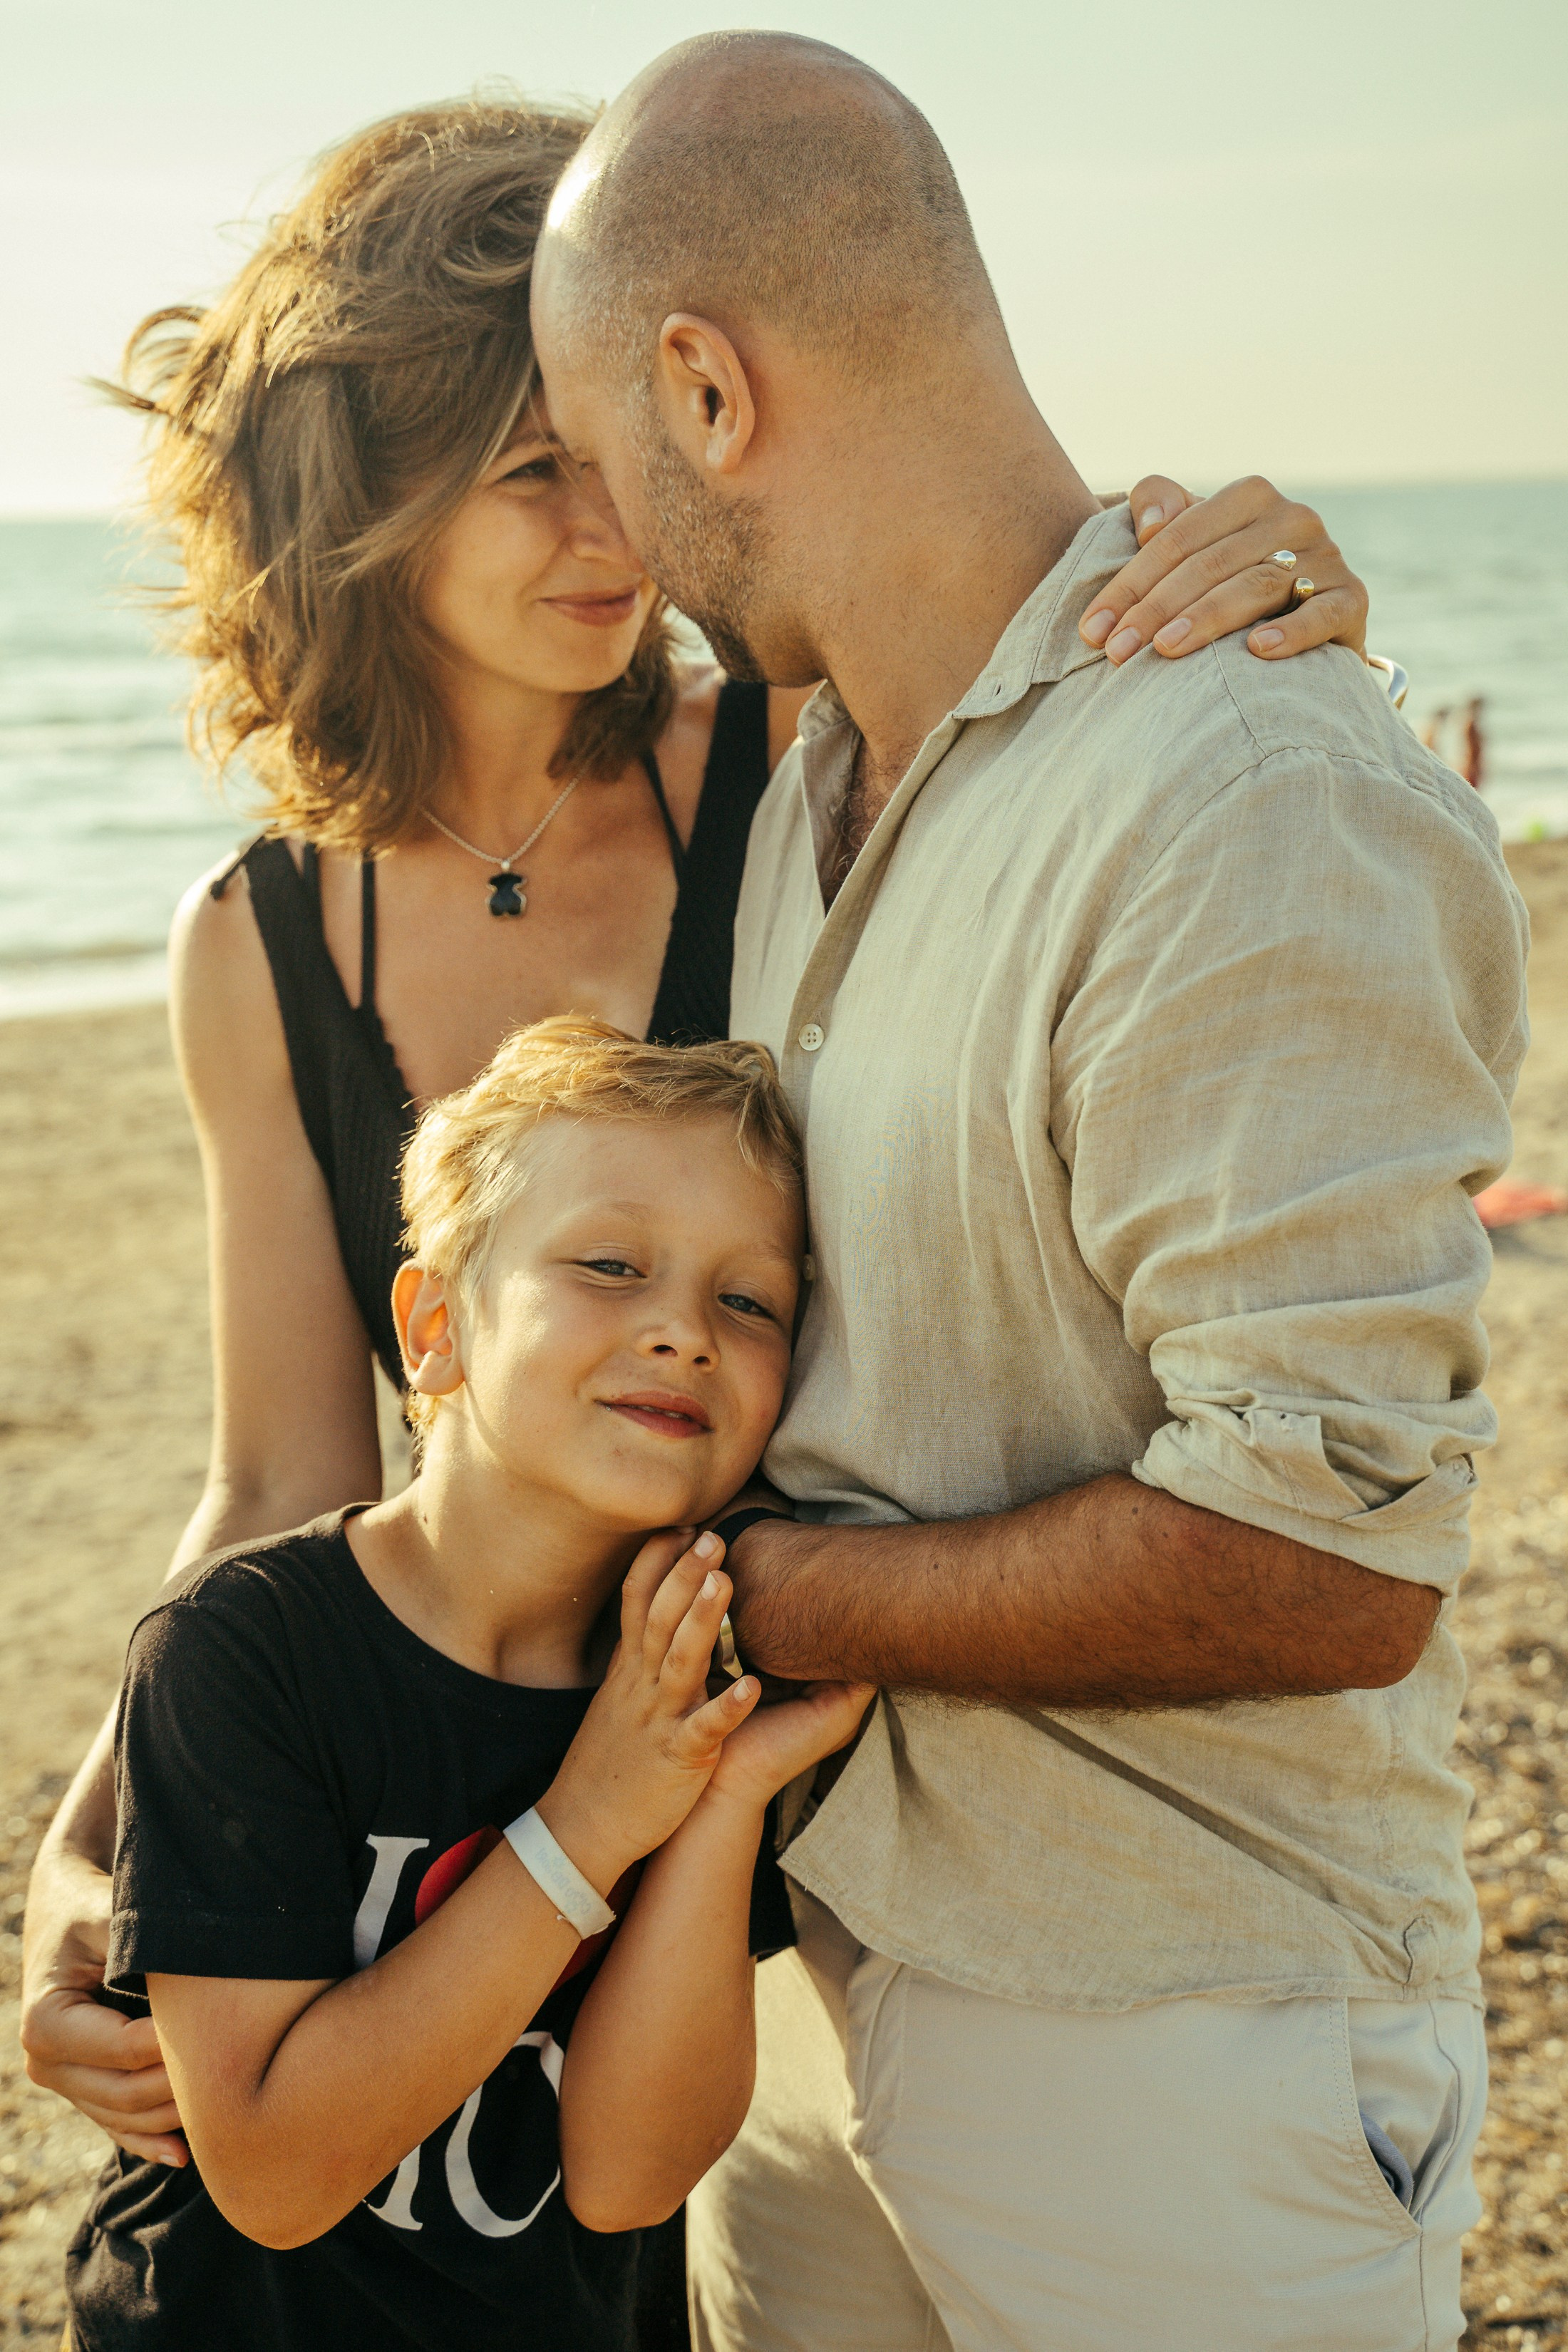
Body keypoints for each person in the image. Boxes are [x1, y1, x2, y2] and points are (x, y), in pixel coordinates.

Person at [21, 78, 1371, 2240]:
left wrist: (1259, 571)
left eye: (613, 449)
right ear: (351, 493)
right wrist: (92, 1859)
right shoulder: (259, 934)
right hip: (489, 1813)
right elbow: (281, 1479)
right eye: (523, 472)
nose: (608, 534)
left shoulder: (807, 747)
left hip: (864, 1775)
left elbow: (1075, 685)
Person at [530, 32, 1530, 2352]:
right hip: (822, 1982)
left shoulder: (1240, 781)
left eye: (596, 459)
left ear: (703, 388)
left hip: (1176, 2044)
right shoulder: (805, 797)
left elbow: (1326, 1559)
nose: (608, 540)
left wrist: (762, 1599)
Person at [63, 1015, 872, 2352]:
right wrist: (594, 1824)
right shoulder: (245, 1649)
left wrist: (717, 1801)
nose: (683, 1330)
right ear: (437, 1325)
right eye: (610, 1266)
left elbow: (626, 2177)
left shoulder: (697, 1683)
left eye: (751, 1302)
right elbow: (270, 2175)